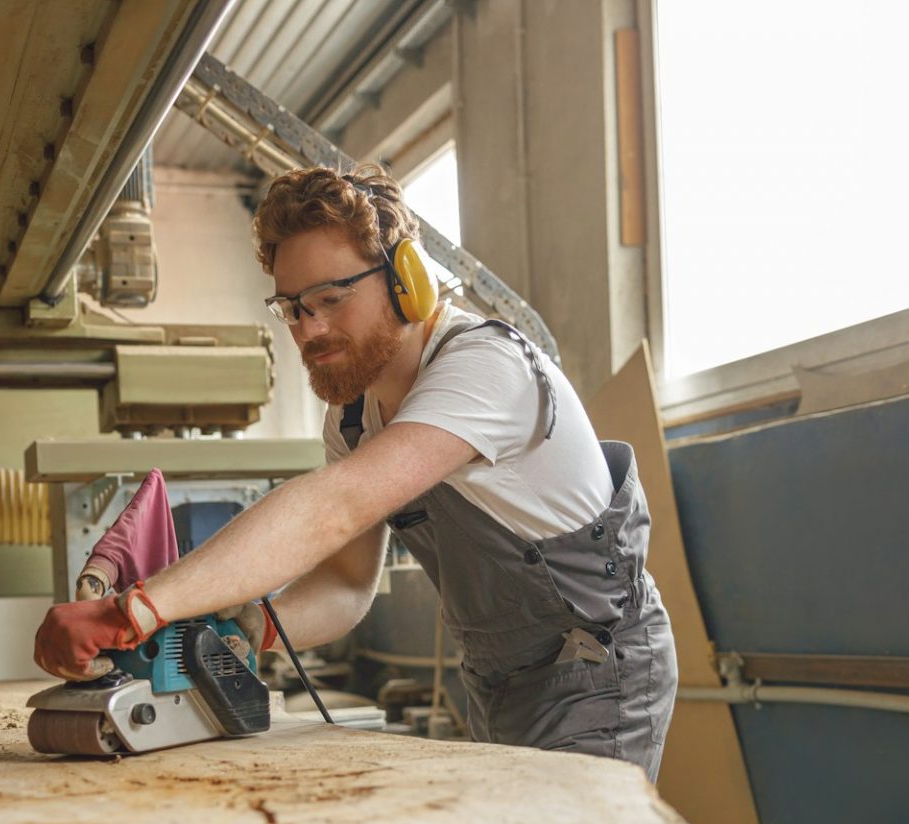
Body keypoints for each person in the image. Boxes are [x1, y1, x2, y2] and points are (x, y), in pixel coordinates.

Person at [34, 164, 677, 779]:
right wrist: (251, 629)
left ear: (408, 280)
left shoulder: (485, 367)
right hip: (497, 676)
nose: (310, 329)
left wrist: (137, 609)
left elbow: (334, 508)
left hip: (599, 672)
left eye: (331, 298)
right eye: (291, 308)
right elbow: (345, 586)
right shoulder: (353, 416)